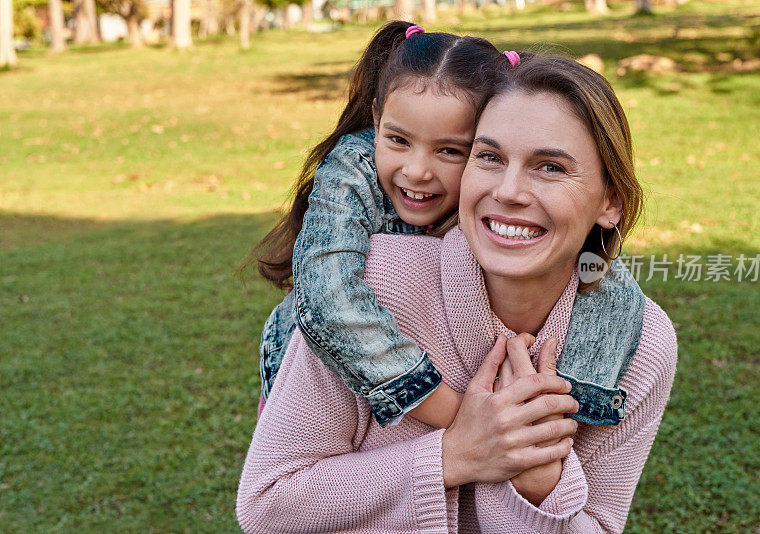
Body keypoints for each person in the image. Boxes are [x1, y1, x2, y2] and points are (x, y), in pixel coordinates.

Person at [237, 53, 677, 533]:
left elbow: (601, 524)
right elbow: (267, 505)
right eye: (489, 157)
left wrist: (537, 488)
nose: (508, 191)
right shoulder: (373, 284)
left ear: (610, 202)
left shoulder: (640, 343)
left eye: (549, 167)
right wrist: (454, 454)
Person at [249, 21, 507, 428]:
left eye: (450, 150)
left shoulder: (503, 187)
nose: (417, 171)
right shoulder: (355, 168)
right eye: (398, 140)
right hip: (317, 381)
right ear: (376, 118)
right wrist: (454, 414)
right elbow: (327, 295)